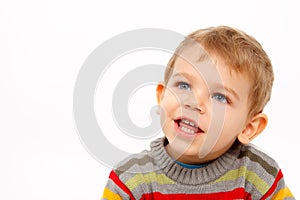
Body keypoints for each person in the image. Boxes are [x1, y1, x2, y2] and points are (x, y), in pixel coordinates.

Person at [101, 26, 295, 199]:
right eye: (183, 85)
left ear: (248, 127)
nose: (194, 103)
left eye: (220, 97)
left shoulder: (258, 176)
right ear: (161, 97)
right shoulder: (130, 180)